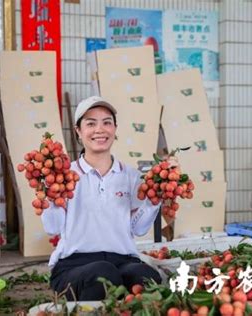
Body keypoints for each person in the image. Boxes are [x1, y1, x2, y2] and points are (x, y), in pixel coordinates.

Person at [41, 96, 162, 301]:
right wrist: (51, 196)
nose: (100, 130)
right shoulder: (64, 176)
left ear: (115, 129)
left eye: (107, 122)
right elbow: (53, 227)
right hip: (73, 265)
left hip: (124, 260)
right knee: (102, 274)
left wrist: (153, 201)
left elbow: (138, 229)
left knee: (148, 277)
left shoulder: (131, 177)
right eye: (91, 123)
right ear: (78, 131)